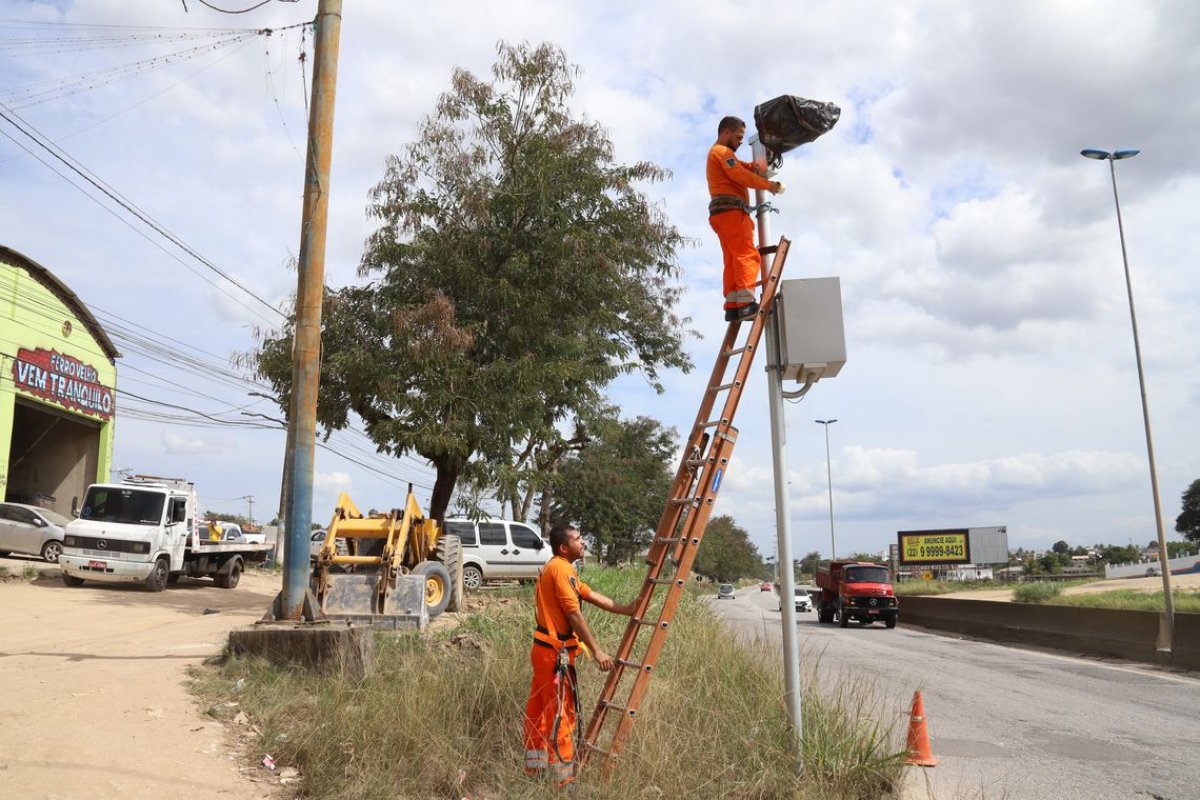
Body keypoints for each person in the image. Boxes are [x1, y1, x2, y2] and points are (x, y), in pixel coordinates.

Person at [523, 524, 634, 788]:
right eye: (578, 538)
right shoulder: (561, 569)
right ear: (564, 547)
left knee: (539, 712)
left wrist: (628, 609)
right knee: (561, 715)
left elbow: (590, 595)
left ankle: (534, 770)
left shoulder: (562, 568)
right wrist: (597, 651)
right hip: (553, 654)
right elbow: (573, 614)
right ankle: (563, 782)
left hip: (544, 651)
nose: (583, 542)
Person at [707, 115, 783, 322]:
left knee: (732, 259)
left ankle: (733, 305)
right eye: (739, 137)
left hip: (721, 214)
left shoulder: (720, 154)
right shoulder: (722, 152)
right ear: (726, 133)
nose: (741, 141)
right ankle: (746, 304)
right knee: (746, 255)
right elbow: (739, 175)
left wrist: (761, 163)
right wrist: (769, 186)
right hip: (731, 212)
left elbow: (743, 168)